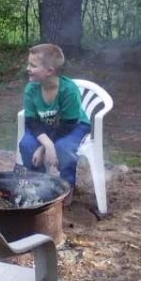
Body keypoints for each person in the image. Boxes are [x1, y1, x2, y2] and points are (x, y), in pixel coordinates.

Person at [18, 43, 91, 191]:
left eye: (33, 65)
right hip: (45, 126)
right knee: (26, 145)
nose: (28, 69)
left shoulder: (69, 90)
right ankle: (39, 185)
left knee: (64, 147)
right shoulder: (31, 89)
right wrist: (47, 144)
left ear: (49, 71)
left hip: (73, 125)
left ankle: (67, 187)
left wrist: (43, 147)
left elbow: (67, 125)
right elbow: (31, 121)